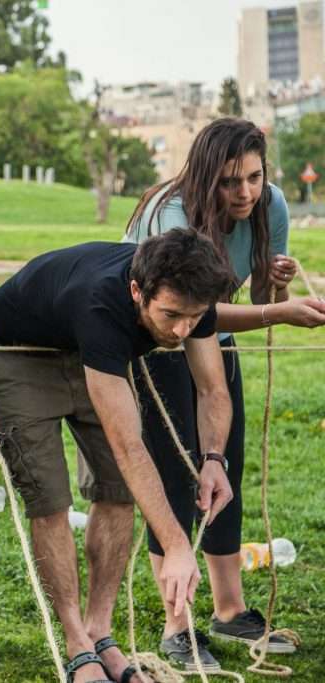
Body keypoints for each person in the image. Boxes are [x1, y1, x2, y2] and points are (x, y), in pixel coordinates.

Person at [0, 228, 237, 683]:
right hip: (20, 353)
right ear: (137, 291)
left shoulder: (194, 294)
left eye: (193, 317)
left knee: (118, 491)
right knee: (50, 497)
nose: (182, 331)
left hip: (91, 351)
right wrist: (177, 545)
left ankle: (100, 632)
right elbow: (128, 446)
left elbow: (213, 389)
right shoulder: (100, 303)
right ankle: (77, 643)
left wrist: (215, 459)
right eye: (170, 315)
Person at [124, 118, 318, 669]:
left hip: (216, 344)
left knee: (221, 466)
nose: (246, 192)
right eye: (231, 181)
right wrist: (278, 311)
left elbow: (255, 297)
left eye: (254, 177)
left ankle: (229, 610)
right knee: (176, 474)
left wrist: (278, 283)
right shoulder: (171, 212)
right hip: (158, 342)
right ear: (207, 176)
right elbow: (194, 311)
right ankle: (177, 624)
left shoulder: (270, 204)